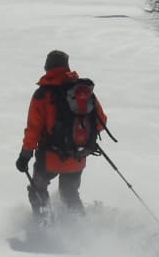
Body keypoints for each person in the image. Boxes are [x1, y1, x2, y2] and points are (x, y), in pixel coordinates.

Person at [15, 50, 107, 217]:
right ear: (67, 66)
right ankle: (79, 227)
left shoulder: (43, 94)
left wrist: (25, 155)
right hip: (78, 156)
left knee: (38, 188)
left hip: (49, 157)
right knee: (69, 193)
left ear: (47, 66)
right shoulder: (82, 91)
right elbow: (101, 122)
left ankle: (44, 225)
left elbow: (33, 130)